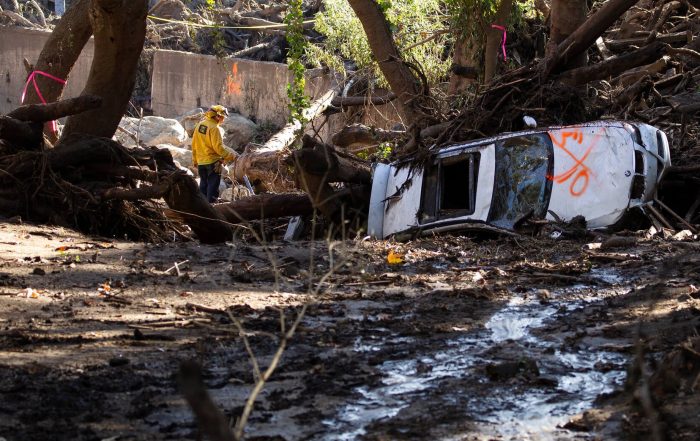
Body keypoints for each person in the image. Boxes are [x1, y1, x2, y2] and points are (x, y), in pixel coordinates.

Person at [192, 105, 236, 203]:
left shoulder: (200, 125)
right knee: (212, 187)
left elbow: (194, 144)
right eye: (222, 117)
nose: (223, 120)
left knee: (203, 185)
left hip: (201, 163)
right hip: (212, 163)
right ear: (217, 116)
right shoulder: (214, 128)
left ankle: (202, 208)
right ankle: (211, 210)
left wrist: (195, 160)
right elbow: (218, 148)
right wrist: (230, 156)